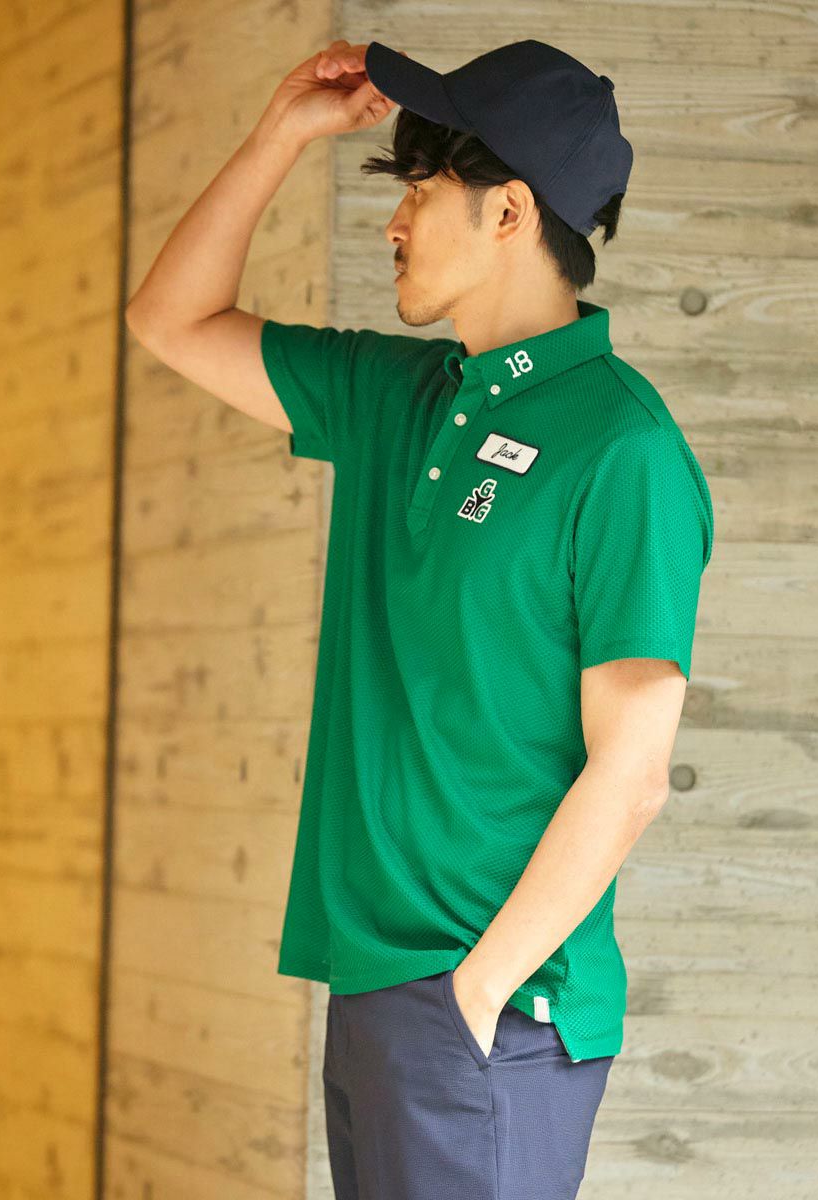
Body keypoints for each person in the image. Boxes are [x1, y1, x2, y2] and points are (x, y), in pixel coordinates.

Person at [126, 36, 714, 1200]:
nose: (392, 224)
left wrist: (476, 994)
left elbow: (633, 772)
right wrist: (280, 132)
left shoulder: (623, 448)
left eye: (419, 191)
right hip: (380, 990)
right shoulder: (399, 400)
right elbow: (170, 320)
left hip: (492, 1009)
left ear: (509, 213)